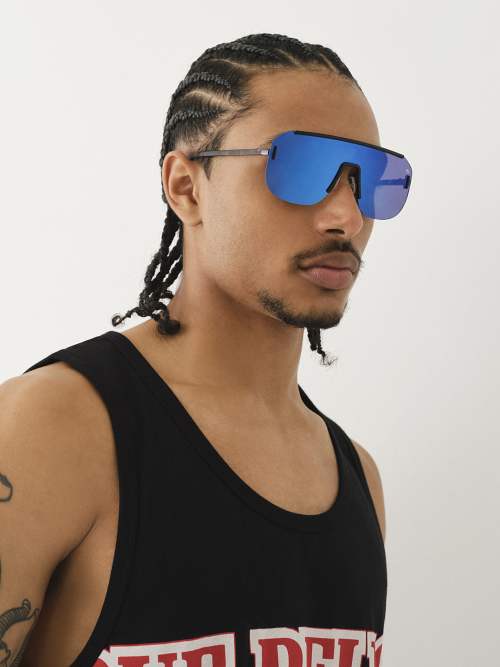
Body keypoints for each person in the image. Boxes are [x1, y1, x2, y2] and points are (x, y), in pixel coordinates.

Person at [0, 32, 412, 667]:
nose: (346, 217)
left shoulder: (359, 479)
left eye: (372, 182)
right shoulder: (53, 429)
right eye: (300, 168)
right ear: (186, 186)